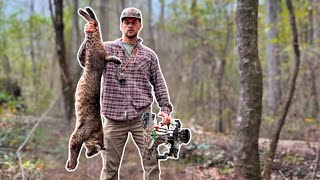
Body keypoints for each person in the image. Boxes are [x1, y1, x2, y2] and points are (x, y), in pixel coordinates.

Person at [78, 7, 173, 180]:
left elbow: (159, 83)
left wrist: (165, 108)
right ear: (121, 25)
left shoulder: (149, 55)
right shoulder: (106, 48)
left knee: (152, 163)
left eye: (134, 22)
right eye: (126, 22)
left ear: (140, 25)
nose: (130, 25)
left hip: (143, 118)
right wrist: (89, 36)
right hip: (113, 118)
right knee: (109, 168)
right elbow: (85, 61)